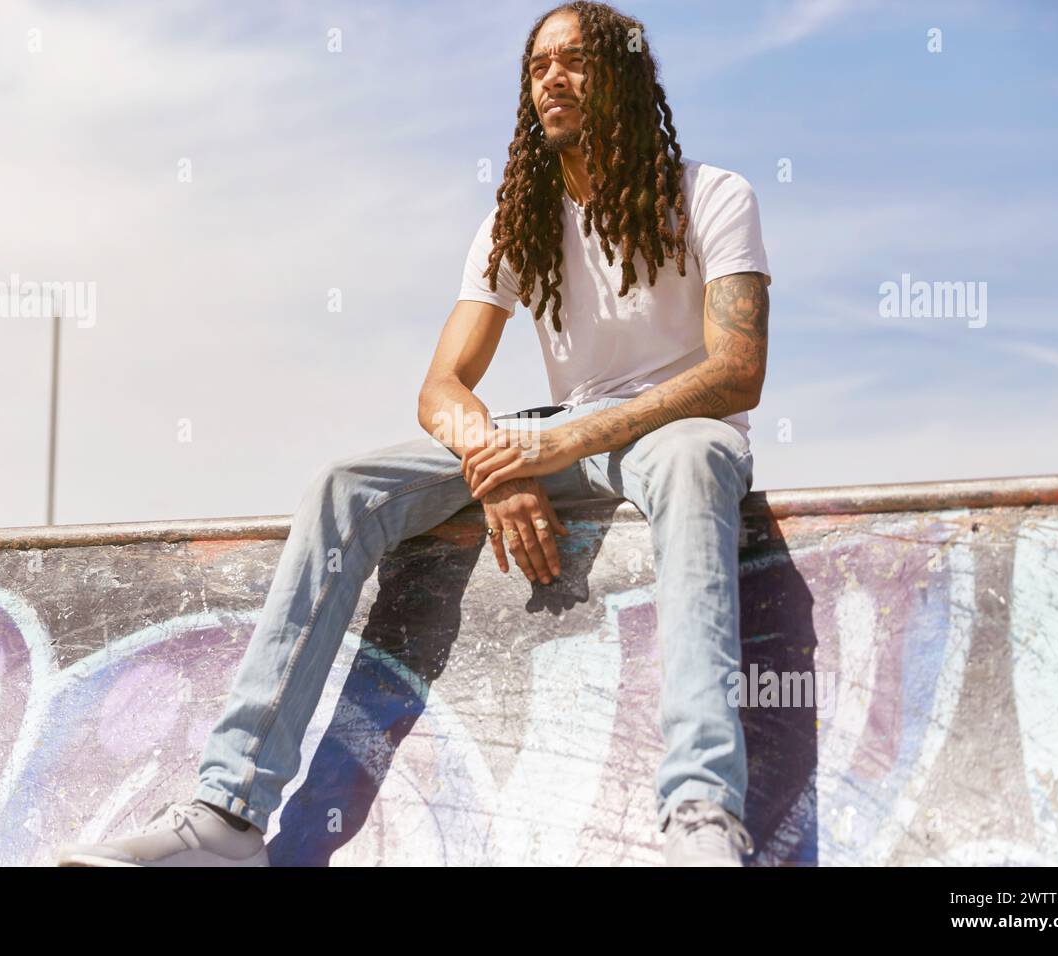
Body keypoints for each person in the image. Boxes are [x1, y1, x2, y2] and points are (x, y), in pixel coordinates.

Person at [55, 0, 770, 868]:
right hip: (557, 435)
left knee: (698, 456)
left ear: (624, 80)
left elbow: (737, 372)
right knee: (342, 484)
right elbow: (442, 385)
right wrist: (493, 461)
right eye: (538, 65)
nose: (551, 77)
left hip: (672, 429)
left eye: (576, 60)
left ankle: (700, 812)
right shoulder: (519, 224)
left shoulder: (713, 195)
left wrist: (553, 448)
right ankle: (228, 812)